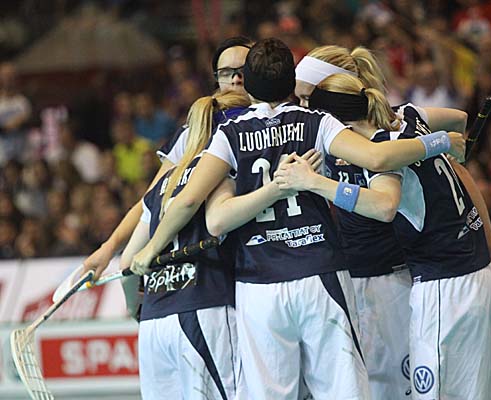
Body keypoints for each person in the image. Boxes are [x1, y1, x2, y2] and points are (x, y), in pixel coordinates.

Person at [131, 38, 465, 400]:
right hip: (320, 273)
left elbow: (192, 202)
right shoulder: (316, 122)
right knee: (343, 391)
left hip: (259, 285)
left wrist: (151, 249)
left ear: (248, 84)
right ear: (291, 83)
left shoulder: (230, 133)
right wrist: (441, 141)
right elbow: (378, 158)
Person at [274, 73, 491, 400]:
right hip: (480, 276)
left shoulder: (383, 150)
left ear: (337, 125)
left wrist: (314, 182)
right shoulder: (410, 117)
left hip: (445, 286)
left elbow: (384, 205)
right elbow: (459, 119)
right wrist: (448, 147)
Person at [293, 44, 470, 399]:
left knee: (397, 386)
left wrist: (442, 144)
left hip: (387, 277)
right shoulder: (325, 133)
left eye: (306, 98)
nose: (300, 107)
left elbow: (384, 169)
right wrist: (443, 142)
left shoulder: (386, 129)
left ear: (331, 93)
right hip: (346, 275)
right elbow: (457, 122)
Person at [82, 36, 254, 280]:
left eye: (243, 70)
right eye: (226, 72)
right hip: (212, 265)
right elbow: (150, 201)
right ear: (216, 79)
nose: (236, 79)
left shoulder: (270, 121)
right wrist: (109, 247)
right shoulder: (194, 130)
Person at [118, 90, 251, 400]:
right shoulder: (225, 169)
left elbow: (126, 265)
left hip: (154, 323)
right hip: (205, 308)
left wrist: (133, 307)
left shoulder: (161, 184)